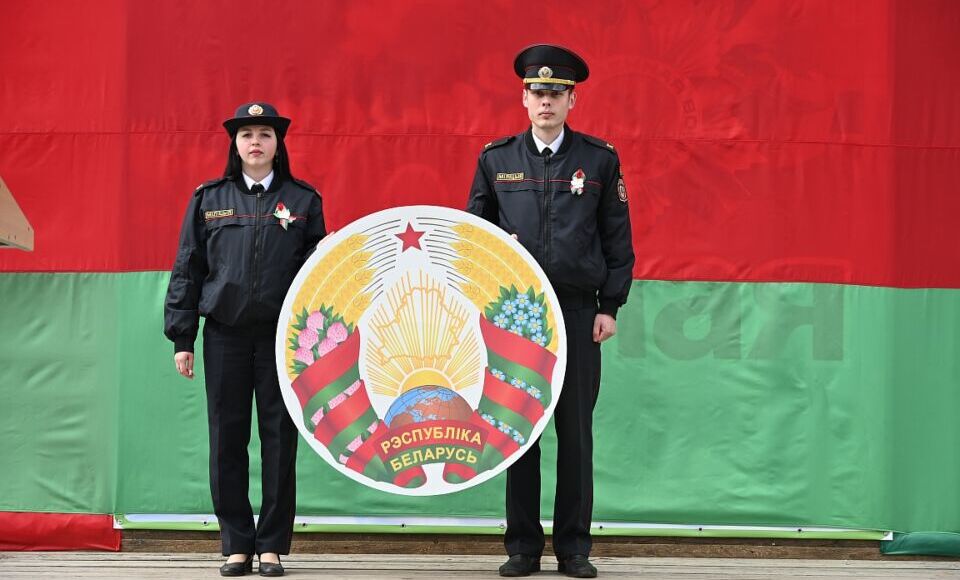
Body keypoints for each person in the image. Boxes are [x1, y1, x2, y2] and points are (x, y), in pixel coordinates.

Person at [467, 44, 635, 578]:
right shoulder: (496, 160)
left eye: (556, 93)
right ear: (523, 98)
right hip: (517, 317)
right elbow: (475, 236)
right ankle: (522, 547)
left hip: (579, 311)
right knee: (521, 431)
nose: (546, 101)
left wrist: (610, 305)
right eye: (537, 92)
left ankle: (574, 548)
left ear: (571, 101)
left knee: (575, 433)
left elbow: (617, 238)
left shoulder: (599, 160)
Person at [164, 102, 326, 577]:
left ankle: (271, 545)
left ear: (278, 144)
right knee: (226, 440)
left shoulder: (303, 200)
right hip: (224, 336)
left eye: (265, 134)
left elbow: (317, 274)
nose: (256, 142)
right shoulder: (208, 198)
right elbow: (188, 267)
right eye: (247, 134)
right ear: (235, 145)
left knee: (279, 440)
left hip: (282, 339)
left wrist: (316, 341)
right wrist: (182, 336)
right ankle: (237, 544)